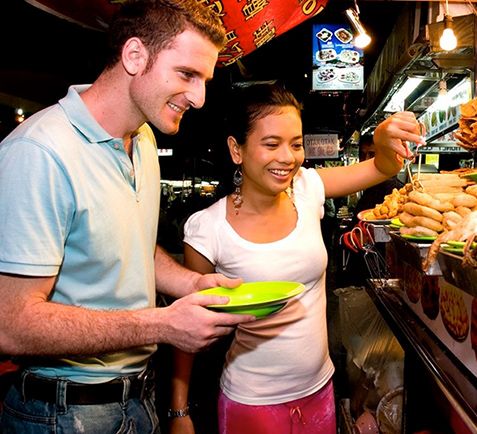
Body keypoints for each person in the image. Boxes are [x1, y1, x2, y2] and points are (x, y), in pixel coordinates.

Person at [0, 1, 256, 432]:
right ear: (134, 56)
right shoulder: (40, 152)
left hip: (137, 399)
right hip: (62, 413)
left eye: (205, 80)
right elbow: (10, 325)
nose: (199, 97)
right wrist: (164, 325)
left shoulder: (142, 140)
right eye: (187, 75)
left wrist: (193, 284)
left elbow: (129, 246)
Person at [168, 83, 424, 433]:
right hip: (252, 403)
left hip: (320, 393)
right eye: (271, 144)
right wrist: (179, 410)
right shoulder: (207, 228)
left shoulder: (306, 188)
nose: (287, 157)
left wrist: (382, 137)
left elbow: (381, 167)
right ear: (236, 149)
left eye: (296, 143)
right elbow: (188, 327)